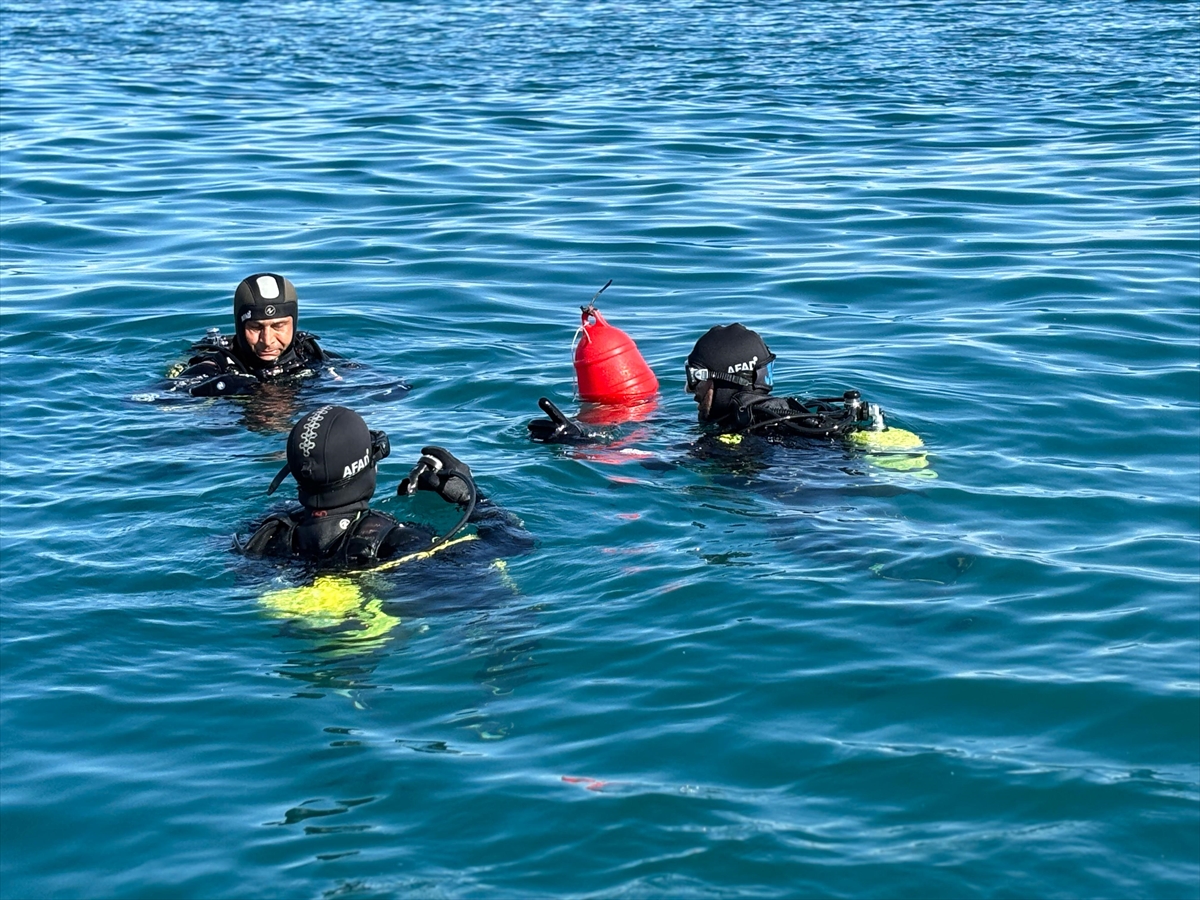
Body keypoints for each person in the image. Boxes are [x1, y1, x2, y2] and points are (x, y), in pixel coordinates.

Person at [238, 405, 529, 568]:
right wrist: (475, 500)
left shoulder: (269, 531)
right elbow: (516, 545)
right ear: (364, 465)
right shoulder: (400, 543)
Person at [529, 323, 887, 446]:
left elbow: (659, 468)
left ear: (724, 380)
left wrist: (578, 441)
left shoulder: (735, 439)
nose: (691, 393)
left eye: (696, 380)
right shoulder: (801, 414)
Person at [168, 273, 336, 397]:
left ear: (294, 324)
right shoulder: (216, 367)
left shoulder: (312, 357)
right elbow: (157, 398)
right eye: (256, 328)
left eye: (278, 326)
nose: (267, 341)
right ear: (240, 327)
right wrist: (215, 387)